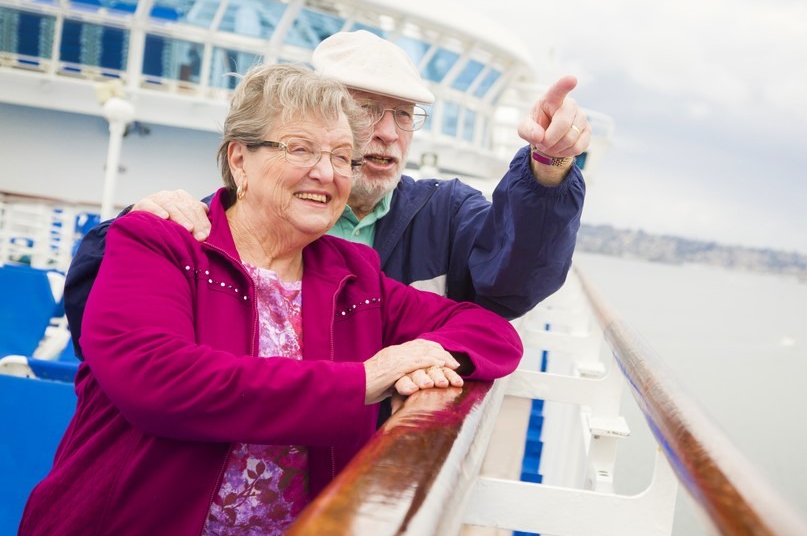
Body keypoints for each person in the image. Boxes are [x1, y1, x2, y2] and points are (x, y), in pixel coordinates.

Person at [13, 64, 523, 536]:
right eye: (300, 149)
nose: (326, 173)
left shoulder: (354, 276)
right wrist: (365, 381)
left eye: (342, 157)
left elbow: (494, 334)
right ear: (240, 158)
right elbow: (158, 382)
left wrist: (427, 356)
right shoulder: (162, 245)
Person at [64, 30, 589, 358]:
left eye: (404, 115)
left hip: (375, 470)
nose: (386, 132)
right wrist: (130, 229)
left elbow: (512, 287)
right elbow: (108, 332)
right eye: (366, 110)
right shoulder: (218, 224)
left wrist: (548, 169)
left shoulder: (445, 213)